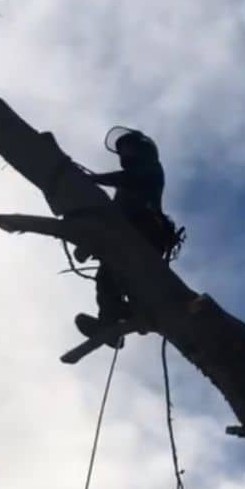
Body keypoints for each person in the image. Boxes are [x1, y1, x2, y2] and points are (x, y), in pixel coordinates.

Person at [73, 128, 171, 342]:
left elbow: (130, 179)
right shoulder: (123, 191)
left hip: (147, 232)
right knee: (108, 277)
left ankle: (124, 314)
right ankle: (114, 320)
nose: (124, 154)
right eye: (121, 151)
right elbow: (111, 219)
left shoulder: (151, 169)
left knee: (118, 274)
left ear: (141, 149)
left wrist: (93, 179)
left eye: (127, 148)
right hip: (131, 235)